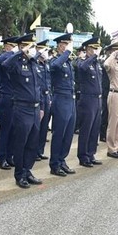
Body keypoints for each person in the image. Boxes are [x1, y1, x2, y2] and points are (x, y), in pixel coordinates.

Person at [3, 33, 44, 188]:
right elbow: (4, 65)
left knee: (33, 143)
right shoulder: (16, 63)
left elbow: (38, 87)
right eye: (30, 46)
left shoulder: (34, 63)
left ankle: (28, 170)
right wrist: (20, 53)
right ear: (22, 47)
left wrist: (42, 107)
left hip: (35, 108)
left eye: (33, 46)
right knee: (21, 143)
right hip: (22, 108)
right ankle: (19, 174)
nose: (33, 49)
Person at [48, 33, 77, 176]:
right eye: (66, 44)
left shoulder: (68, 61)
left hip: (70, 99)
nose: (68, 47)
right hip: (61, 98)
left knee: (68, 133)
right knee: (59, 132)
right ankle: (54, 164)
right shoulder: (56, 60)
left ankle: (62, 159)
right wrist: (66, 53)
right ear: (60, 45)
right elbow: (54, 66)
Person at [76, 37, 103, 167]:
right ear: (87, 49)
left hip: (97, 99)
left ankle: (91, 154)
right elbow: (82, 68)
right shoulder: (83, 61)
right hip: (88, 99)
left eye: (96, 48)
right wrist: (93, 57)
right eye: (93, 48)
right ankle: (83, 156)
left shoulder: (97, 64)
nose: (95, 51)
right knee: (86, 129)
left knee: (95, 128)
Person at [0, 36, 19, 170]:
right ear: (7, 47)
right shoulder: (4, 57)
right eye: (13, 46)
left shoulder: (16, 59)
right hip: (6, 97)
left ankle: (10, 155)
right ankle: (1, 157)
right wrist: (10, 52)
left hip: (17, 98)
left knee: (14, 130)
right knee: (5, 129)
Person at [35, 39, 52, 161]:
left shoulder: (46, 64)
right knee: (37, 126)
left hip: (47, 97)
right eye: (44, 50)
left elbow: (49, 82)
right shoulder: (35, 63)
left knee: (45, 125)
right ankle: (34, 151)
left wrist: (50, 97)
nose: (46, 52)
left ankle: (40, 150)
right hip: (38, 97)